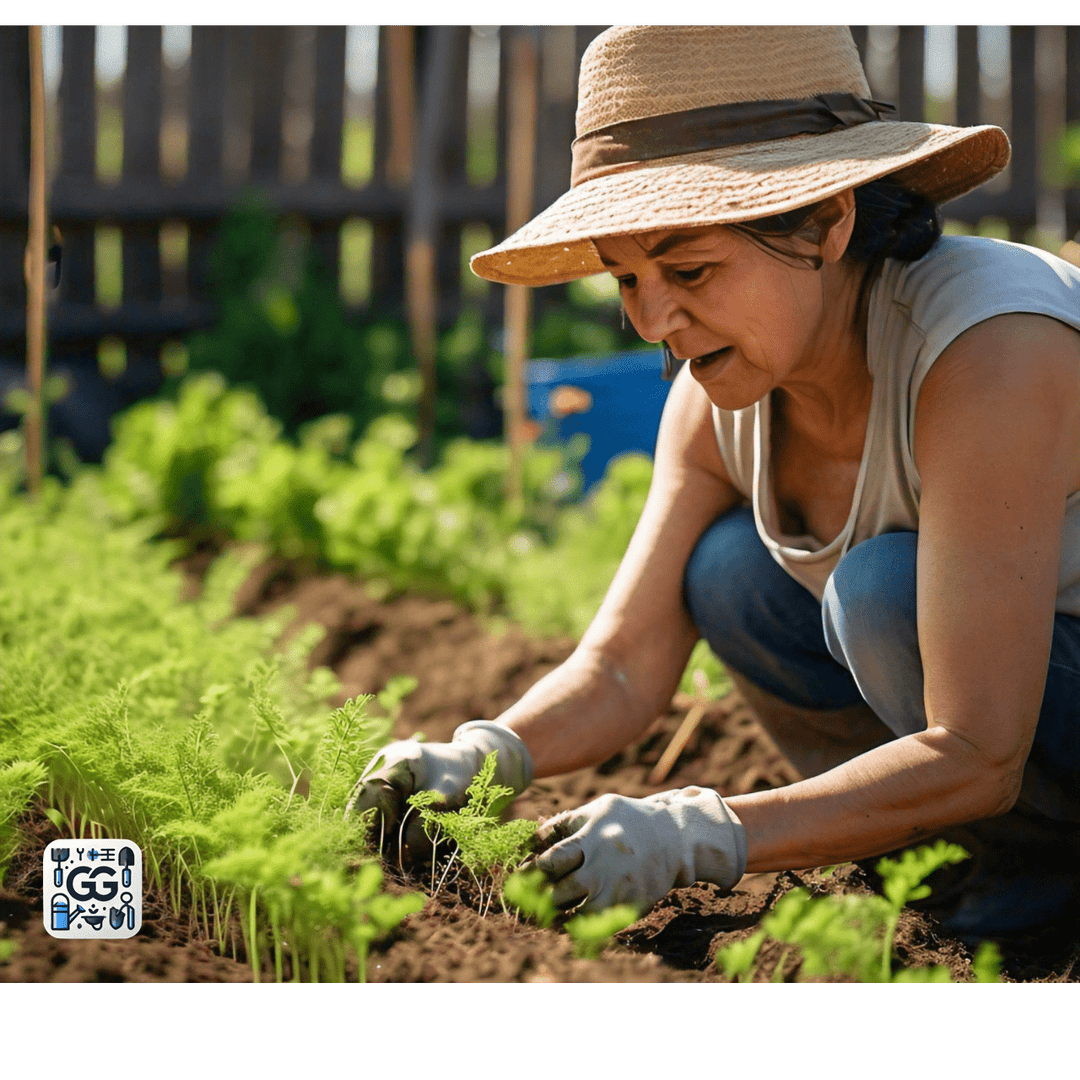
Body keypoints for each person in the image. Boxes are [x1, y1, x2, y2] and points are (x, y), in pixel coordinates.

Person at [348, 25, 1080, 941]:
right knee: (729, 571)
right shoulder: (722, 395)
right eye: (627, 278)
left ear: (827, 222)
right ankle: (954, 872)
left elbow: (977, 750)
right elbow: (621, 663)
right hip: (1009, 748)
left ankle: (1044, 887)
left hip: (1016, 735)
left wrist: (702, 831)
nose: (654, 319)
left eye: (690, 269)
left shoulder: (990, 349)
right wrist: (484, 753)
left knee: (877, 593)